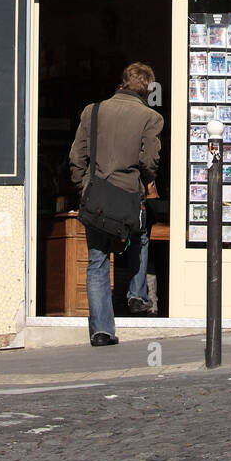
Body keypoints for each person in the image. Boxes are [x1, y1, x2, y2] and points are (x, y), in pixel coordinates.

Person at [69, 61, 163, 346]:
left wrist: (84, 187)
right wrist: (145, 178)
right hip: (128, 196)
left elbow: (76, 158)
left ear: (121, 81)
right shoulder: (150, 117)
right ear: (148, 89)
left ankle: (101, 331)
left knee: (97, 262)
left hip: (96, 195)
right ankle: (136, 294)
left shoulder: (92, 111)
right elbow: (150, 161)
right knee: (141, 236)